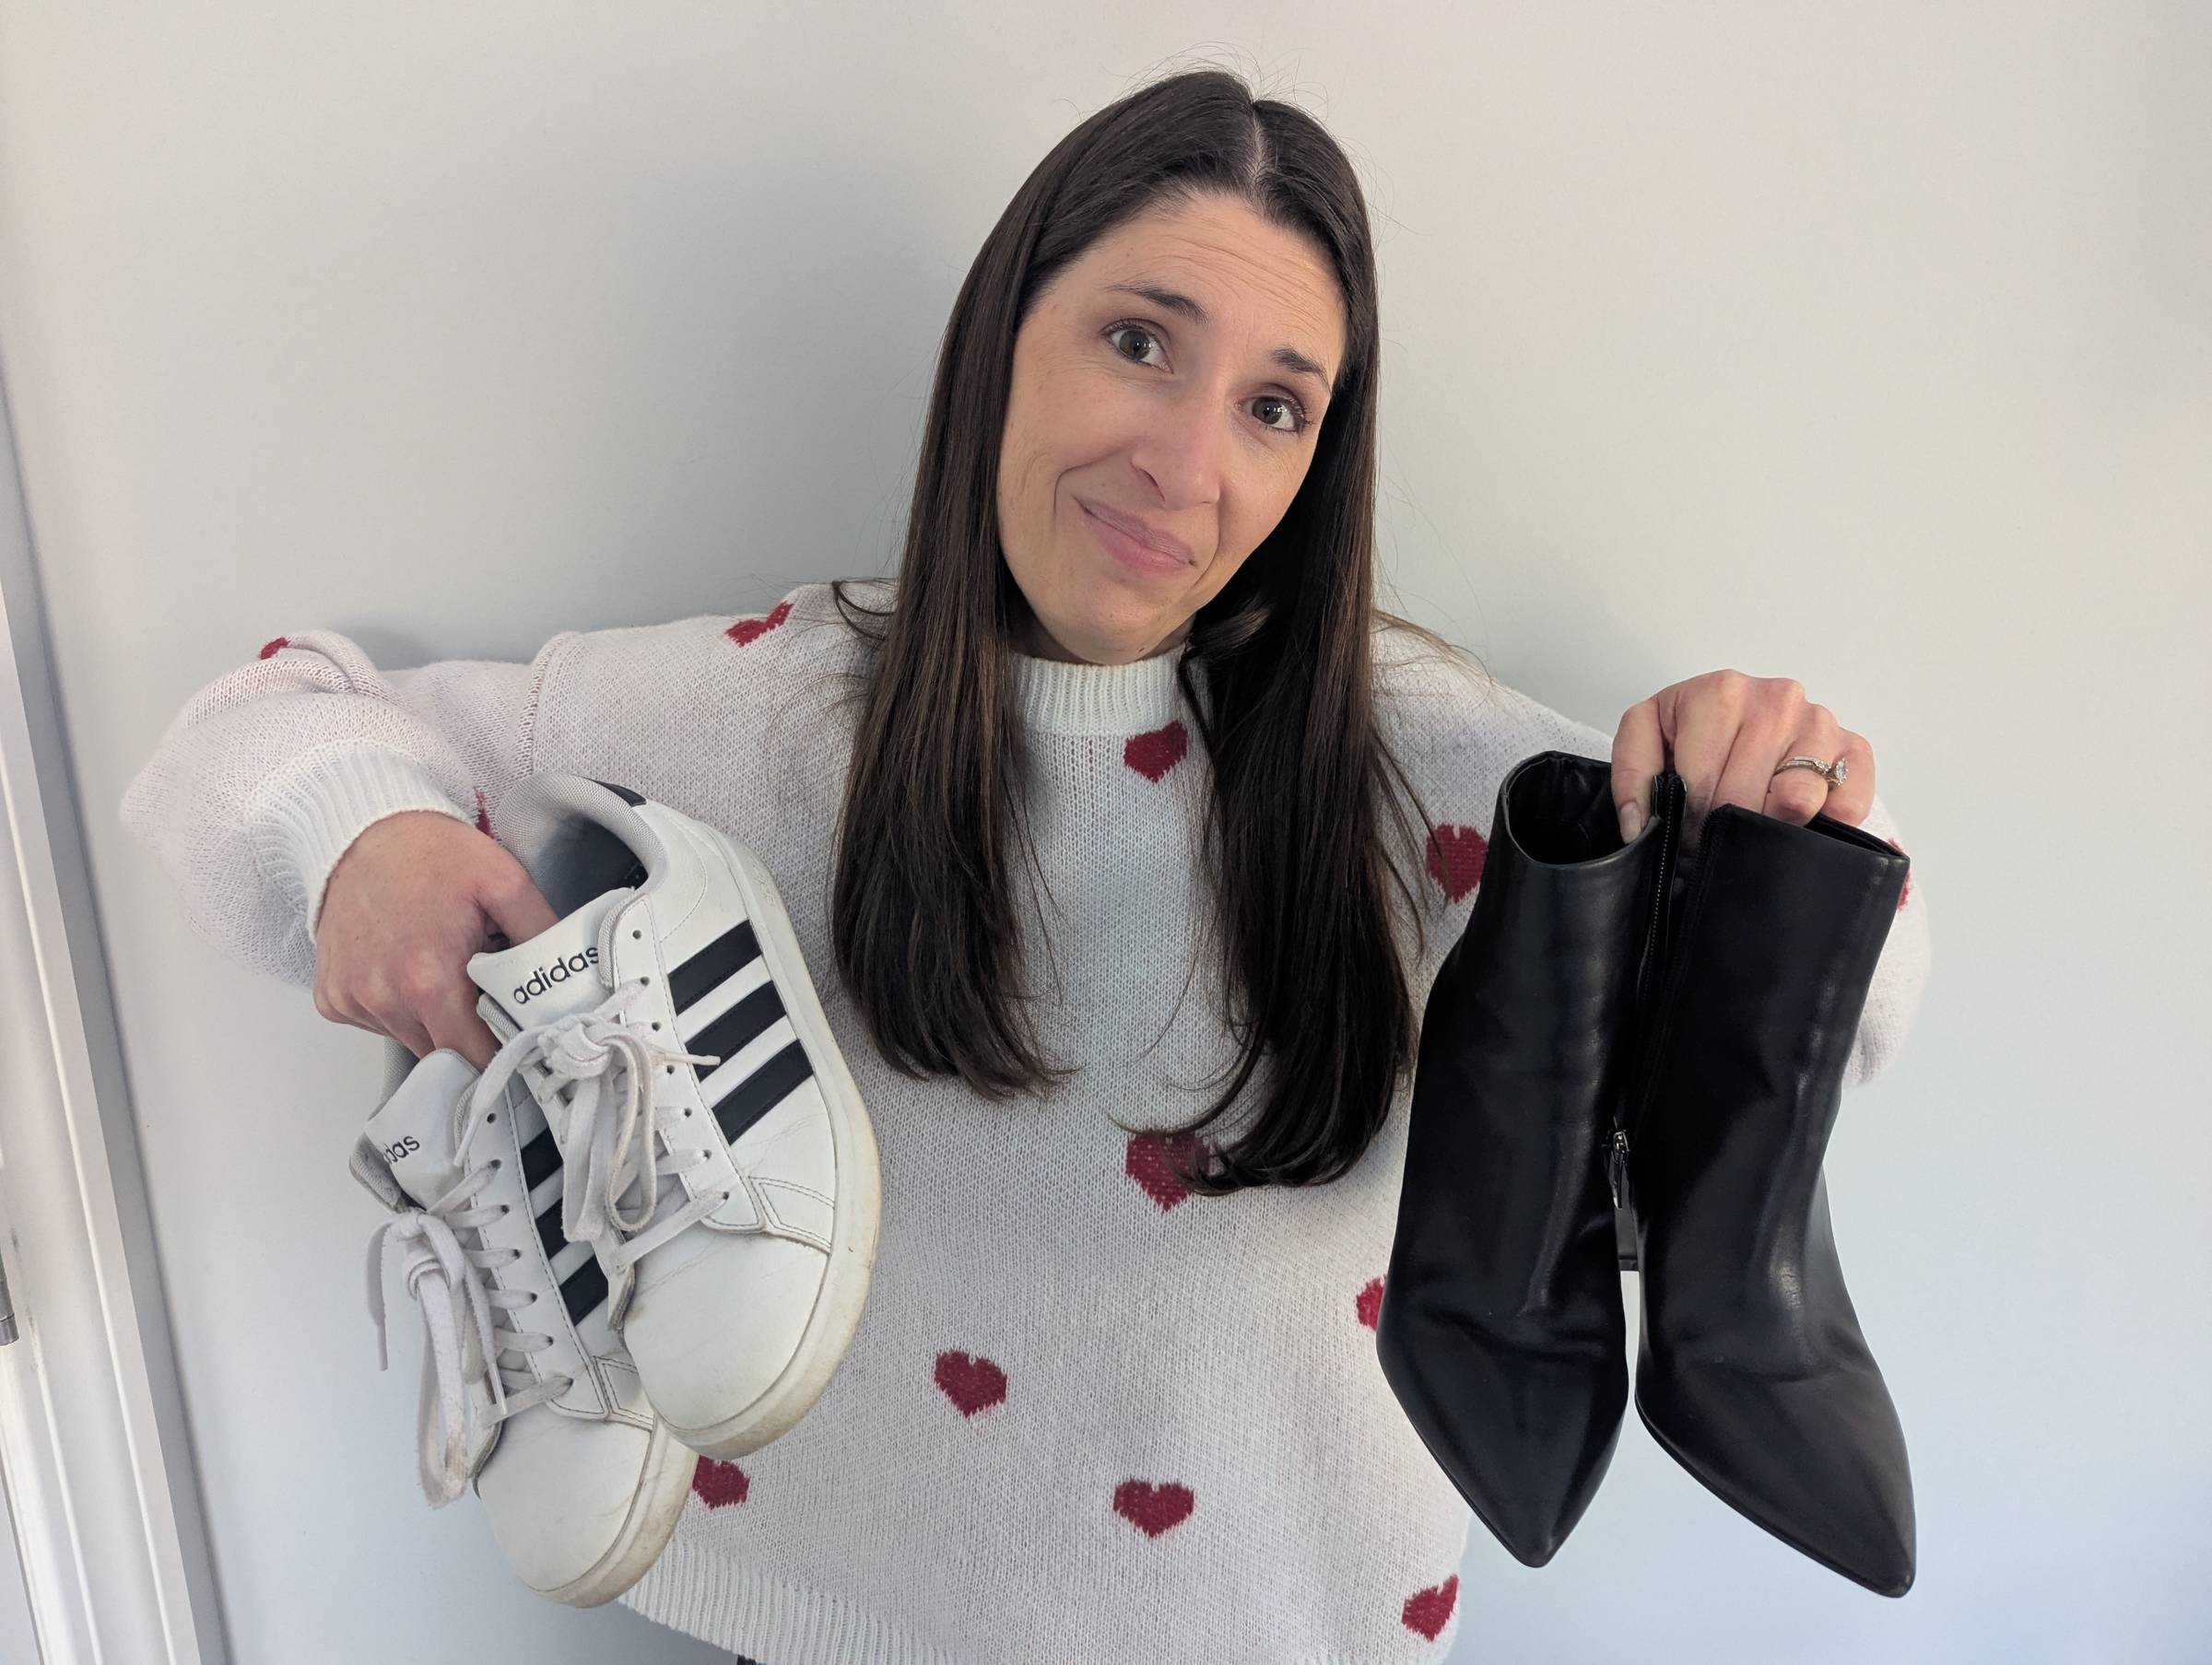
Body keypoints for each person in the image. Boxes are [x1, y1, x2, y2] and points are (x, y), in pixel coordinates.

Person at [119, 65, 1931, 1665]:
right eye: (1139, 340)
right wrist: (363, 837)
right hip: (821, 1629)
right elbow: (251, 721)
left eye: (1274, 406)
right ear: (1006, 337)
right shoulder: (762, 718)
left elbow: (1837, 1022)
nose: (1184, 459)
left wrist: (1770, 811)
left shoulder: (1426, 764)